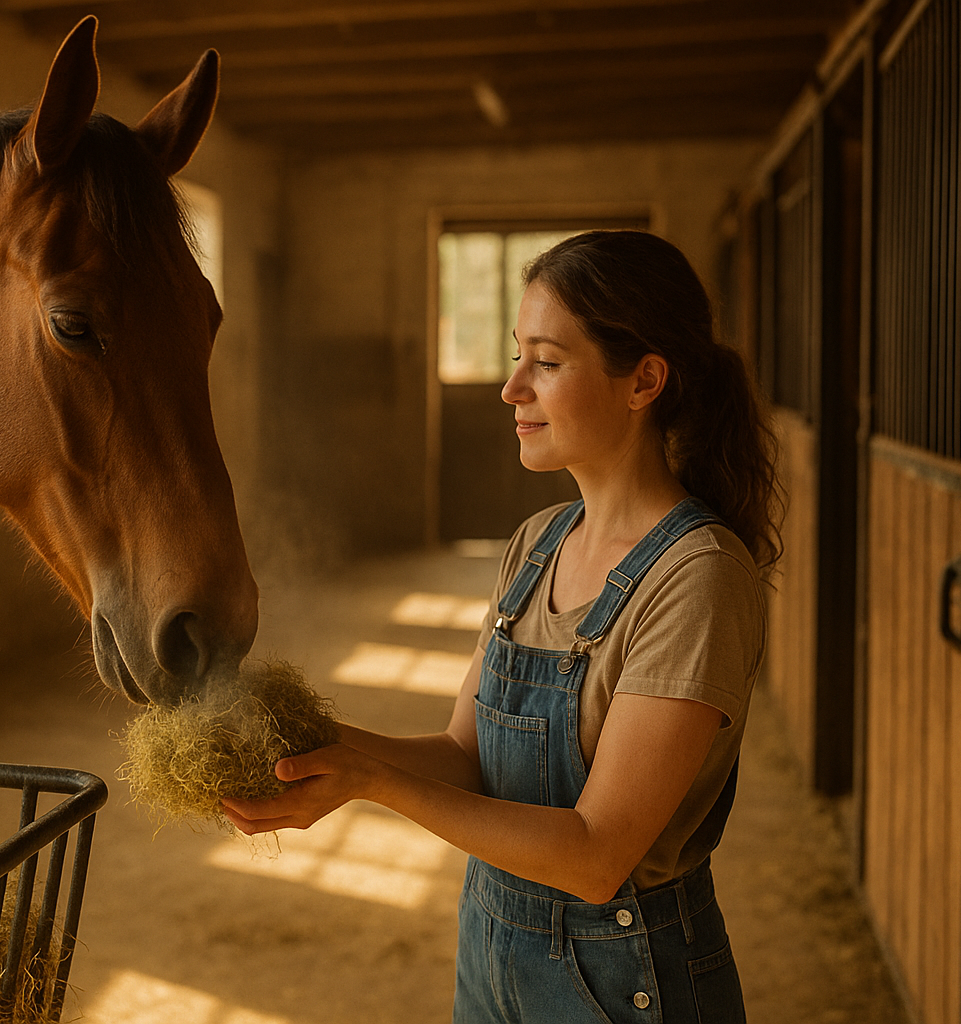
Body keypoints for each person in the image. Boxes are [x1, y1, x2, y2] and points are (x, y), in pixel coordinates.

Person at [222, 229, 780, 1024]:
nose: (511, 387)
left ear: (644, 380)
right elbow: (463, 758)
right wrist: (310, 745)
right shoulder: (536, 543)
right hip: (493, 959)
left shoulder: (697, 575)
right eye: (519, 355)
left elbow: (594, 856)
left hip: (625, 982)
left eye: (547, 363)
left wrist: (374, 784)